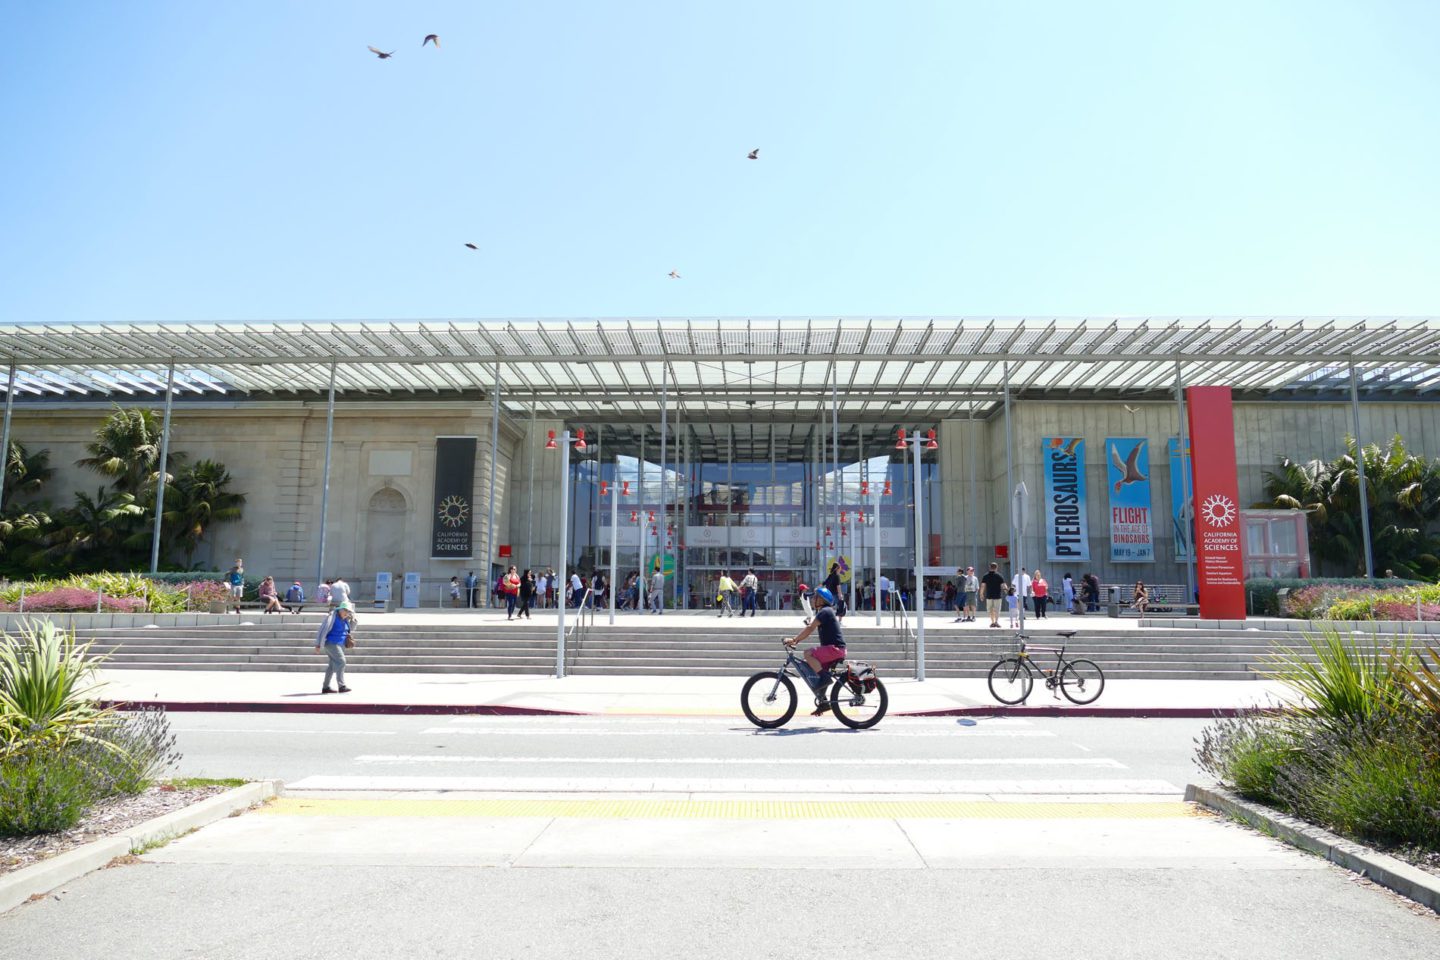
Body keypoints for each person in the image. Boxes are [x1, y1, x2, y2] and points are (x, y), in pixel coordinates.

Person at [784, 587, 848, 716]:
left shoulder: (825, 611)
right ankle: (823, 703)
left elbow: (810, 628)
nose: (812, 599)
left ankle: (824, 679)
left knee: (808, 653)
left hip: (835, 650)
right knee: (819, 674)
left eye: (815, 597)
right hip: (834, 650)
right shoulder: (825, 611)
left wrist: (795, 640)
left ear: (822, 599)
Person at [313, 603, 355, 694]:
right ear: (340, 610)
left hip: (341, 644)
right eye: (346, 611)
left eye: (349, 611)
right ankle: (342, 686)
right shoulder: (332, 617)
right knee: (341, 661)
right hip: (332, 643)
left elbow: (351, 629)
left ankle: (325, 687)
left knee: (331, 667)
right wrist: (318, 644)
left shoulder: (345, 619)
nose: (347, 613)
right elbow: (322, 630)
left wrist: (353, 619)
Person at [980, 562, 1006, 628]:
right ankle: (996, 622)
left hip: (989, 595)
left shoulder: (985, 576)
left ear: (990, 567)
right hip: (997, 595)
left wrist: (981, 594)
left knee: (990, 609)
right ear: (996, 567)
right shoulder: (999, 576)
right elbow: (1003, 586)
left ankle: (992, 622)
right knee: (997, 609)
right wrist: (1008, 592)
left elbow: (983, 586)